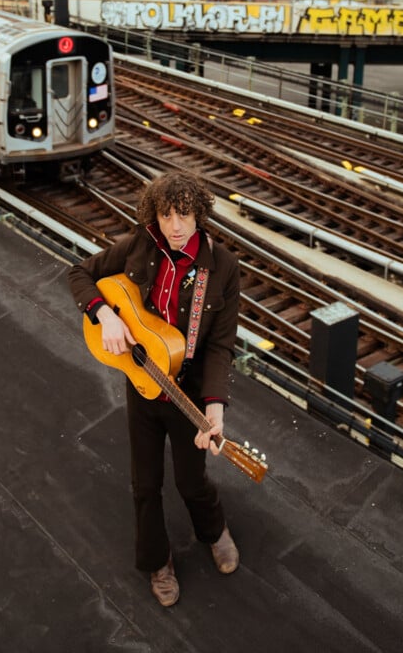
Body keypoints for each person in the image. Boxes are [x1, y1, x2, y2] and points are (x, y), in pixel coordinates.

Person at [67, 170, 241, 607]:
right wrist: (103, 315)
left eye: (184, 215)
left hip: (188, 394)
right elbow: (80, 274)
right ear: (155, 216)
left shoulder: (221, 268)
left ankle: (213, 530)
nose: (175, 226)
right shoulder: (141, 244)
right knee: (145, 486)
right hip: (143, 388)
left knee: (191, 481)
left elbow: (220, 345)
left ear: (199, 213)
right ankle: (156, 562)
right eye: (166, 216)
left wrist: (215, 407)